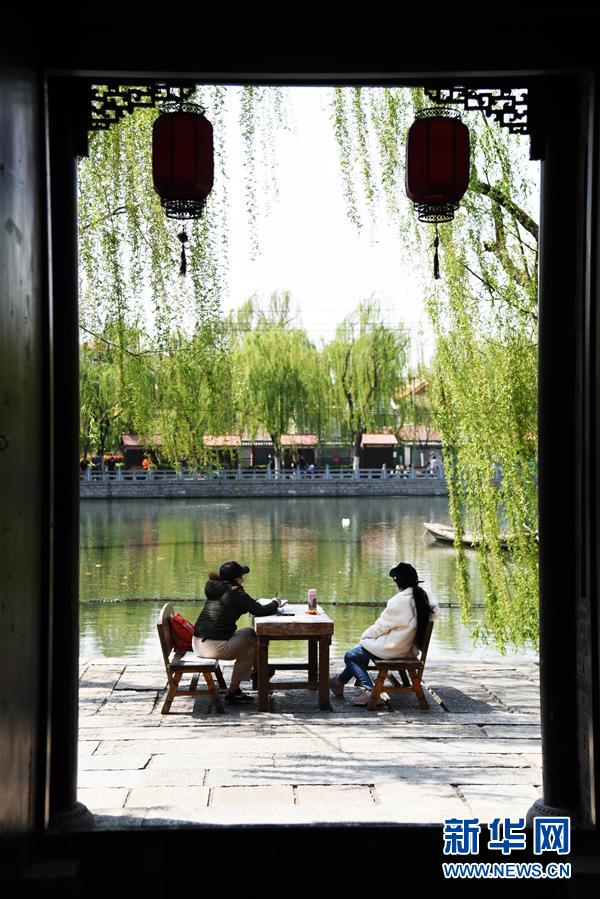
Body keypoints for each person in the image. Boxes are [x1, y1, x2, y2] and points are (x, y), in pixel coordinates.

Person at [329, 562, 438, 706]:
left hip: (395, 649)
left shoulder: (399, 601)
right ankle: (339, 682)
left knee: (351, 656)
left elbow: (380, 627)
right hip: (409, 649)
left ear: (398, 583)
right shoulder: (426, 597)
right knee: (359, 652)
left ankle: (370, 691)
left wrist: (364, 637)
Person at [192, 561, 282, 704]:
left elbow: (248, 606)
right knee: (252, 635)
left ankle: (238, 688)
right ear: (236, 578)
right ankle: (260, 673)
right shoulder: (234, 592)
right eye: (242, 576)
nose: (243, 579)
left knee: (251, 648)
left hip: (198, 643)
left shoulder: (216, 588)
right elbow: (261, 610)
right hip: (213, 646)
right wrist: (276, 603)